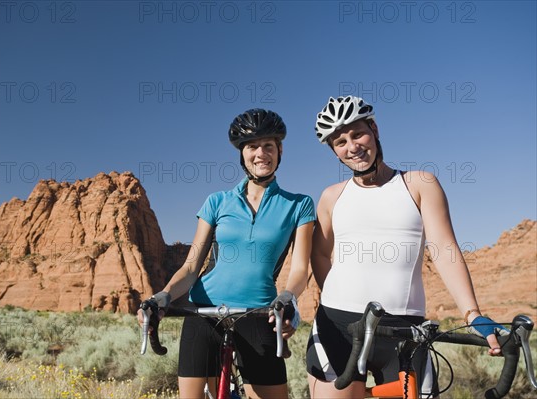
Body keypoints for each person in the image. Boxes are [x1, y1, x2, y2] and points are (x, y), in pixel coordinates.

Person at [306, 95, 508, 398]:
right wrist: (334, 294)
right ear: (334, 151)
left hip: (404, 330)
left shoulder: (419, 183)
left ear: (374, 129)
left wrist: (472, 313)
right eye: (340, 142)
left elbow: (443, 247)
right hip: (337, 326)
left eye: (357, 133)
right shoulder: (331, 196)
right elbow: (320, 253)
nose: (352, 147)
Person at [138, 108, 315, 399]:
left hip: (259, 313)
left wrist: (287, 297)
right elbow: (191, 266)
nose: (260, 153)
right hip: (204, 312)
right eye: (252, 147)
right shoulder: (217, 202)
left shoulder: (299, 205)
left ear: (279, 150)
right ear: (242, 154)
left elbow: (299, 270)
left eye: (268, 146)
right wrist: (164, 295)